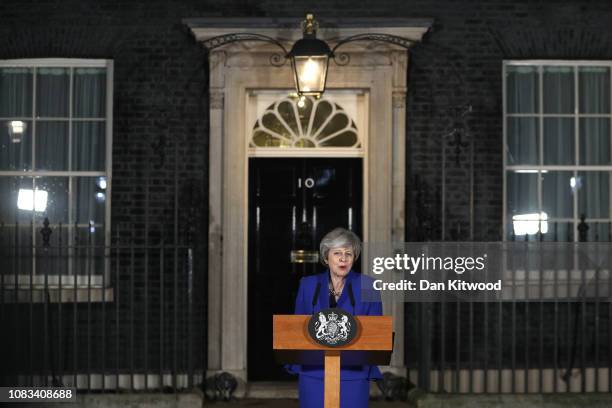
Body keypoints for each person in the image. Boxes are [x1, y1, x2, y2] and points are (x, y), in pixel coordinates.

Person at [286, 227, 383, 408]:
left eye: (349, 253)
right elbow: (296, 329)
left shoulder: (368, 286)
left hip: (353, 374)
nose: (343, 258)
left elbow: (377, 334)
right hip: (314, 372)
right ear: (326, 257)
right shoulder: (307, 285)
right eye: (337, 252)